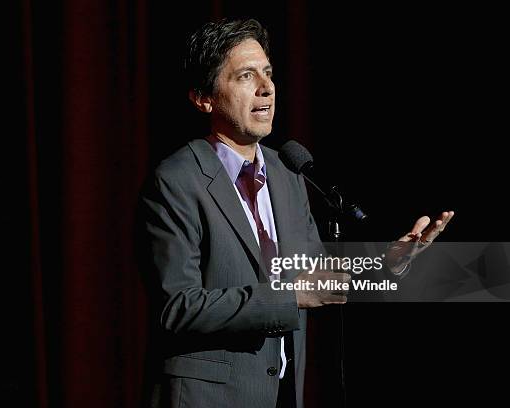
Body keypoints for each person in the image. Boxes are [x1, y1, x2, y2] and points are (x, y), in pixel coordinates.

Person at [140, 18, 454, 408]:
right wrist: (290, 296)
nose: (266, 87)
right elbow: (179, 307)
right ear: (204, 98)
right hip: (206, 397)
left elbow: (315, 273)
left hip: (282, 394)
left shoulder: (286, 174)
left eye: (268, 73)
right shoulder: (176, 180)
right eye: (245, 75)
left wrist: (387, 264)